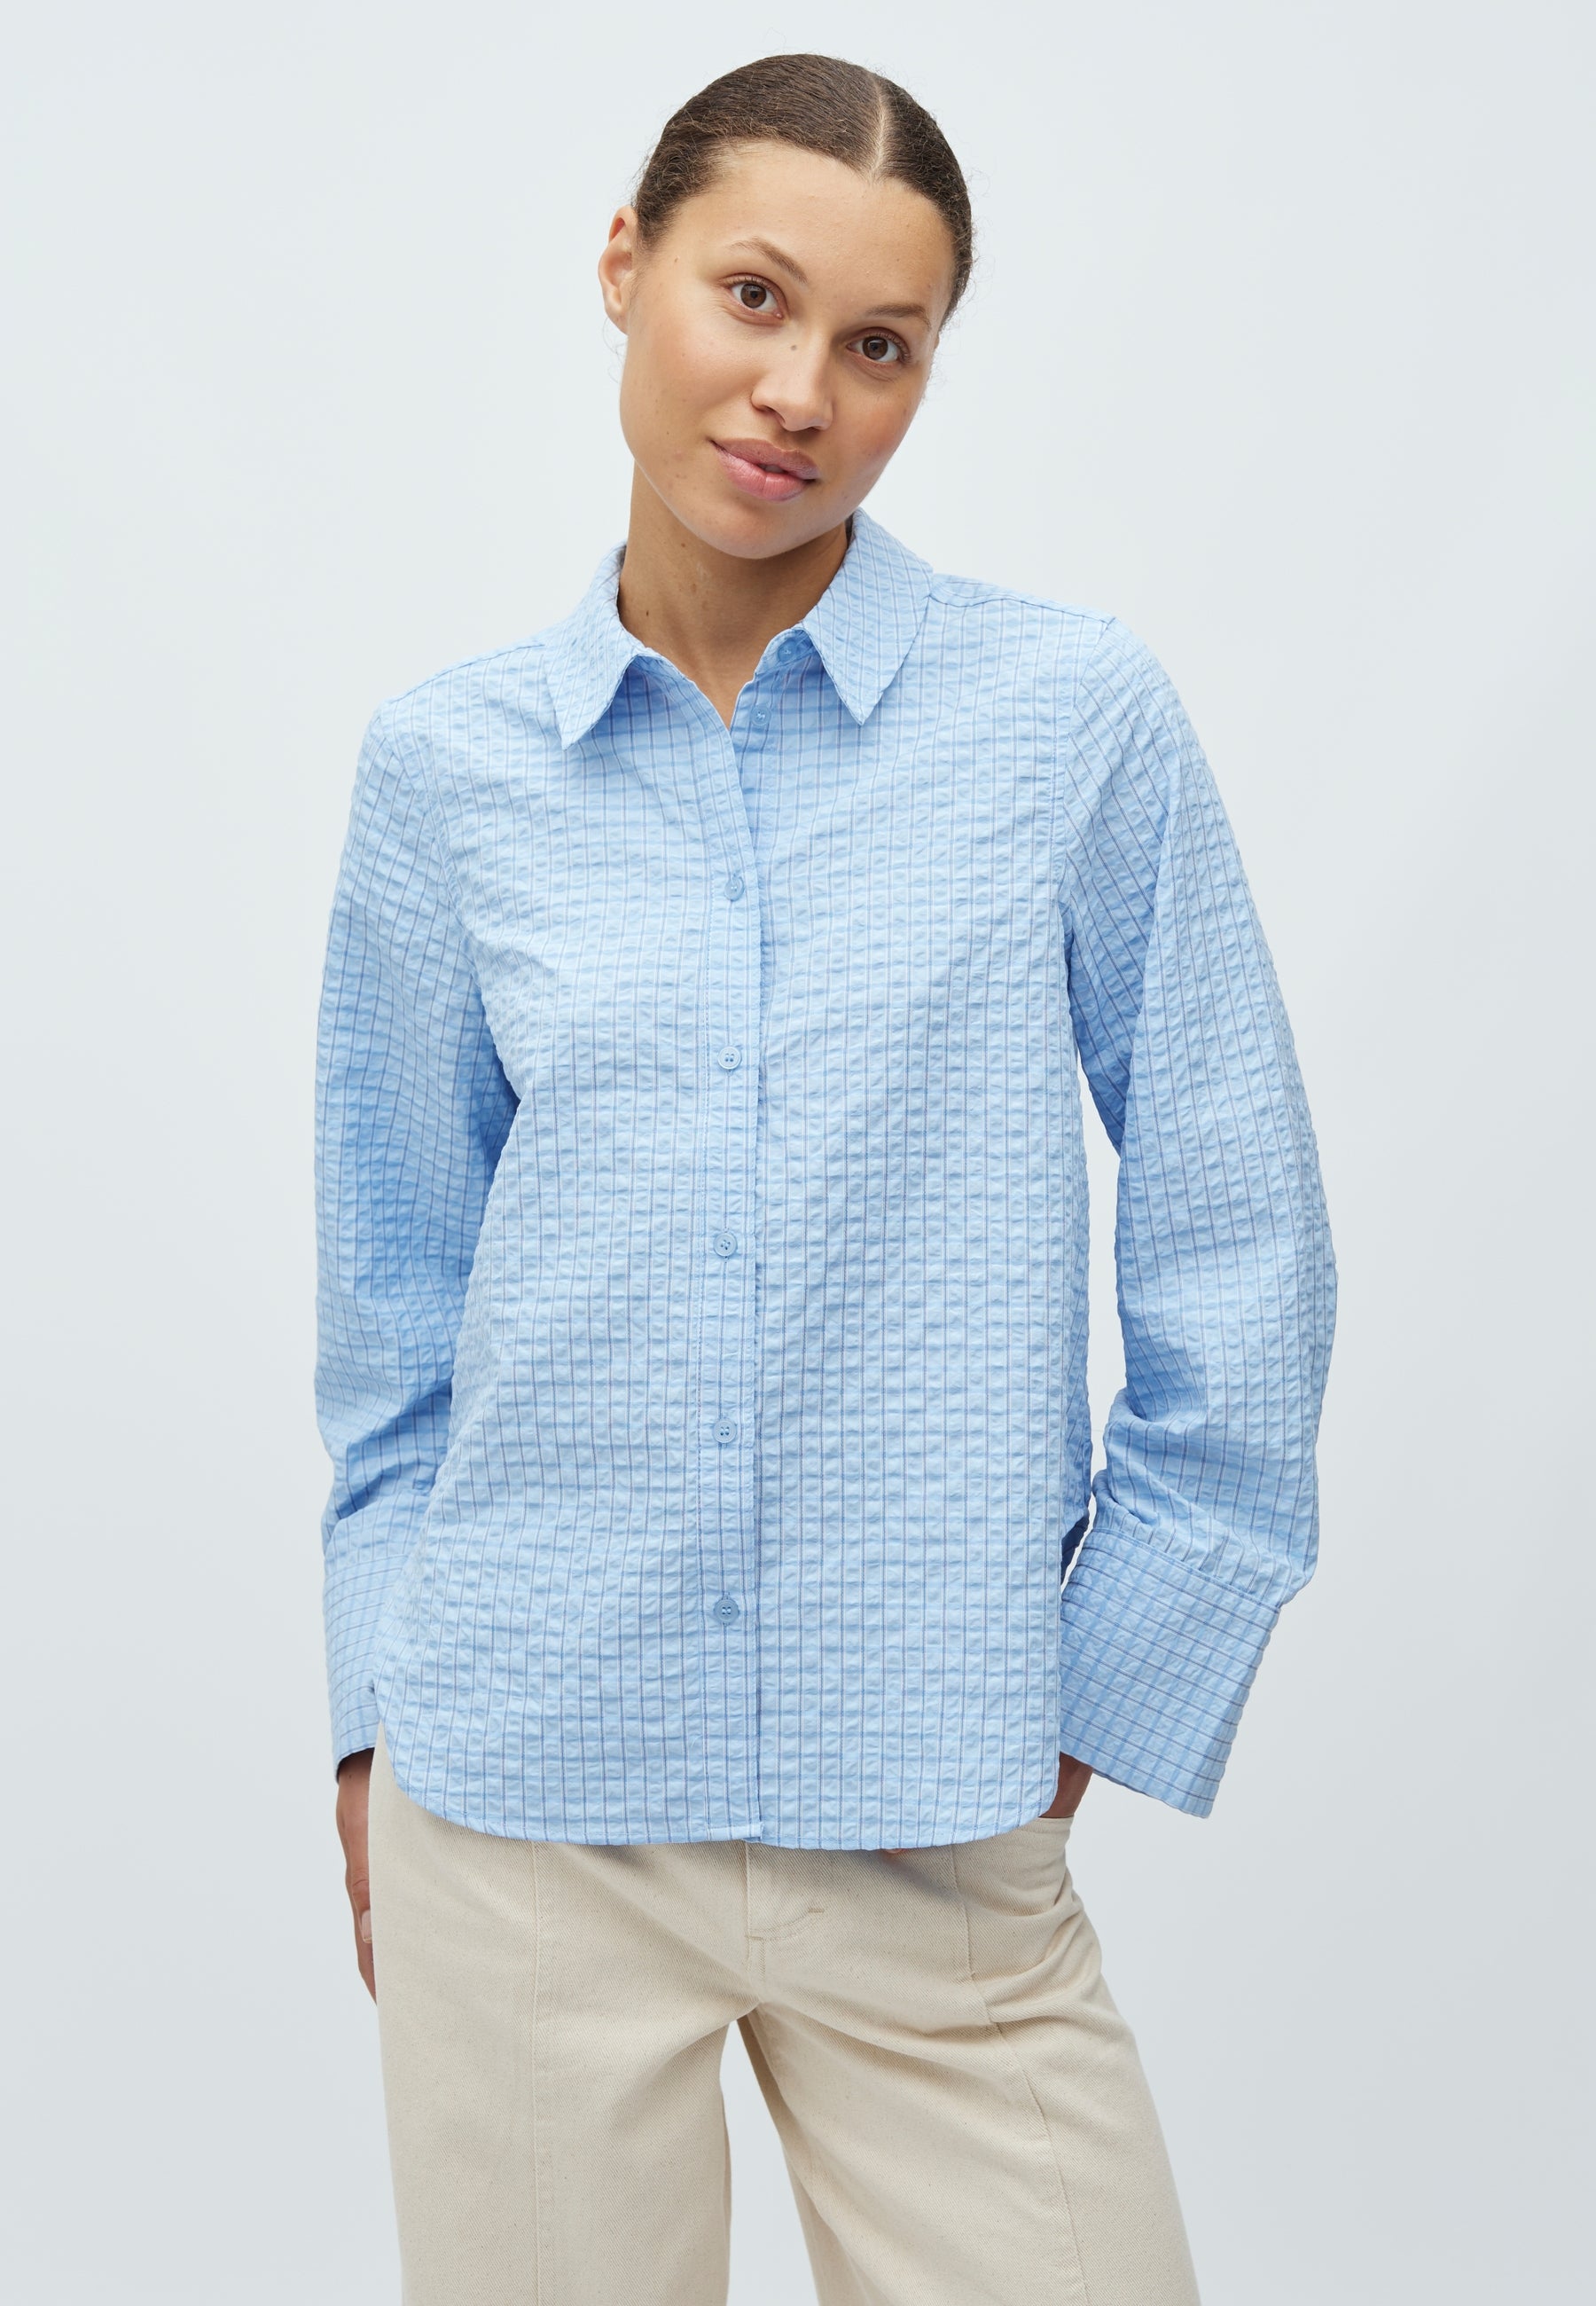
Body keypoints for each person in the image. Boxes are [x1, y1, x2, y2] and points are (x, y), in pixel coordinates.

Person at [315, 51, 1335, 2306]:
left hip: (938, 1817)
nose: (801, 392)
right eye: (754, 296)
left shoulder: (1071, 724)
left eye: (881, 344)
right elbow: (395, 1307)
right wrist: (379, 1713)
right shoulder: (447, 772)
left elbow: (1239, 1234)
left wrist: (1098, 1686)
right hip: (526, 1812)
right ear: (627, 265)